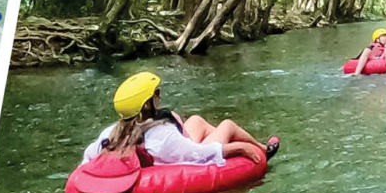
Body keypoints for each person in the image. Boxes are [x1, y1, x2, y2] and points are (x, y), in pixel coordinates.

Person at [80, 72, 270, 169]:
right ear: (146, 104)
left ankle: (260, 146)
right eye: (156, 93)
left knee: (196, 120)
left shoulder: (110, 133)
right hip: (180, 153)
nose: (159, 96)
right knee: (227, 125)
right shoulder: (162, 135)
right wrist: (238, 148)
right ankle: (262, 150)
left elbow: (87, 159)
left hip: (174, 149)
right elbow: (198, 154)